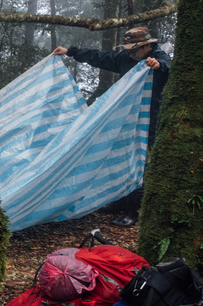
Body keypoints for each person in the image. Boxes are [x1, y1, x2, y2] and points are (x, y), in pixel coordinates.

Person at [52, 26, 171, 227]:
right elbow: (101, 57)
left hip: (150, 122)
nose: (130, 54)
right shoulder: (127, 59)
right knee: (124, 157)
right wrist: (70, 51)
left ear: (148, 46)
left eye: (134, 50)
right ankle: (124, 200)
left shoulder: (158, 58)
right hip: (127, 120)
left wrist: (158, 65)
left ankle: (136, 210)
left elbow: (168, 67)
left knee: (141, 162)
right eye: (128, 50)